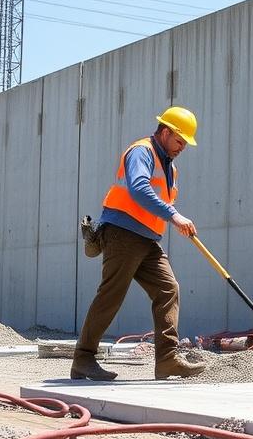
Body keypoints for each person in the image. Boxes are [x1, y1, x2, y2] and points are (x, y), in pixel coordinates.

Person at [71, 106, 207, 381]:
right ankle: (83, 359)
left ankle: (167, 360)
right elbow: (139, 188)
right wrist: (174, 216)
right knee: (112, 294)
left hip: (147, 239)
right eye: (180, 141)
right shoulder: (142, 152)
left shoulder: (170, 167)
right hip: (123, 232)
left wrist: (170, 216)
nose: (182, 147)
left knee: (168, 289)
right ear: (166, 132)